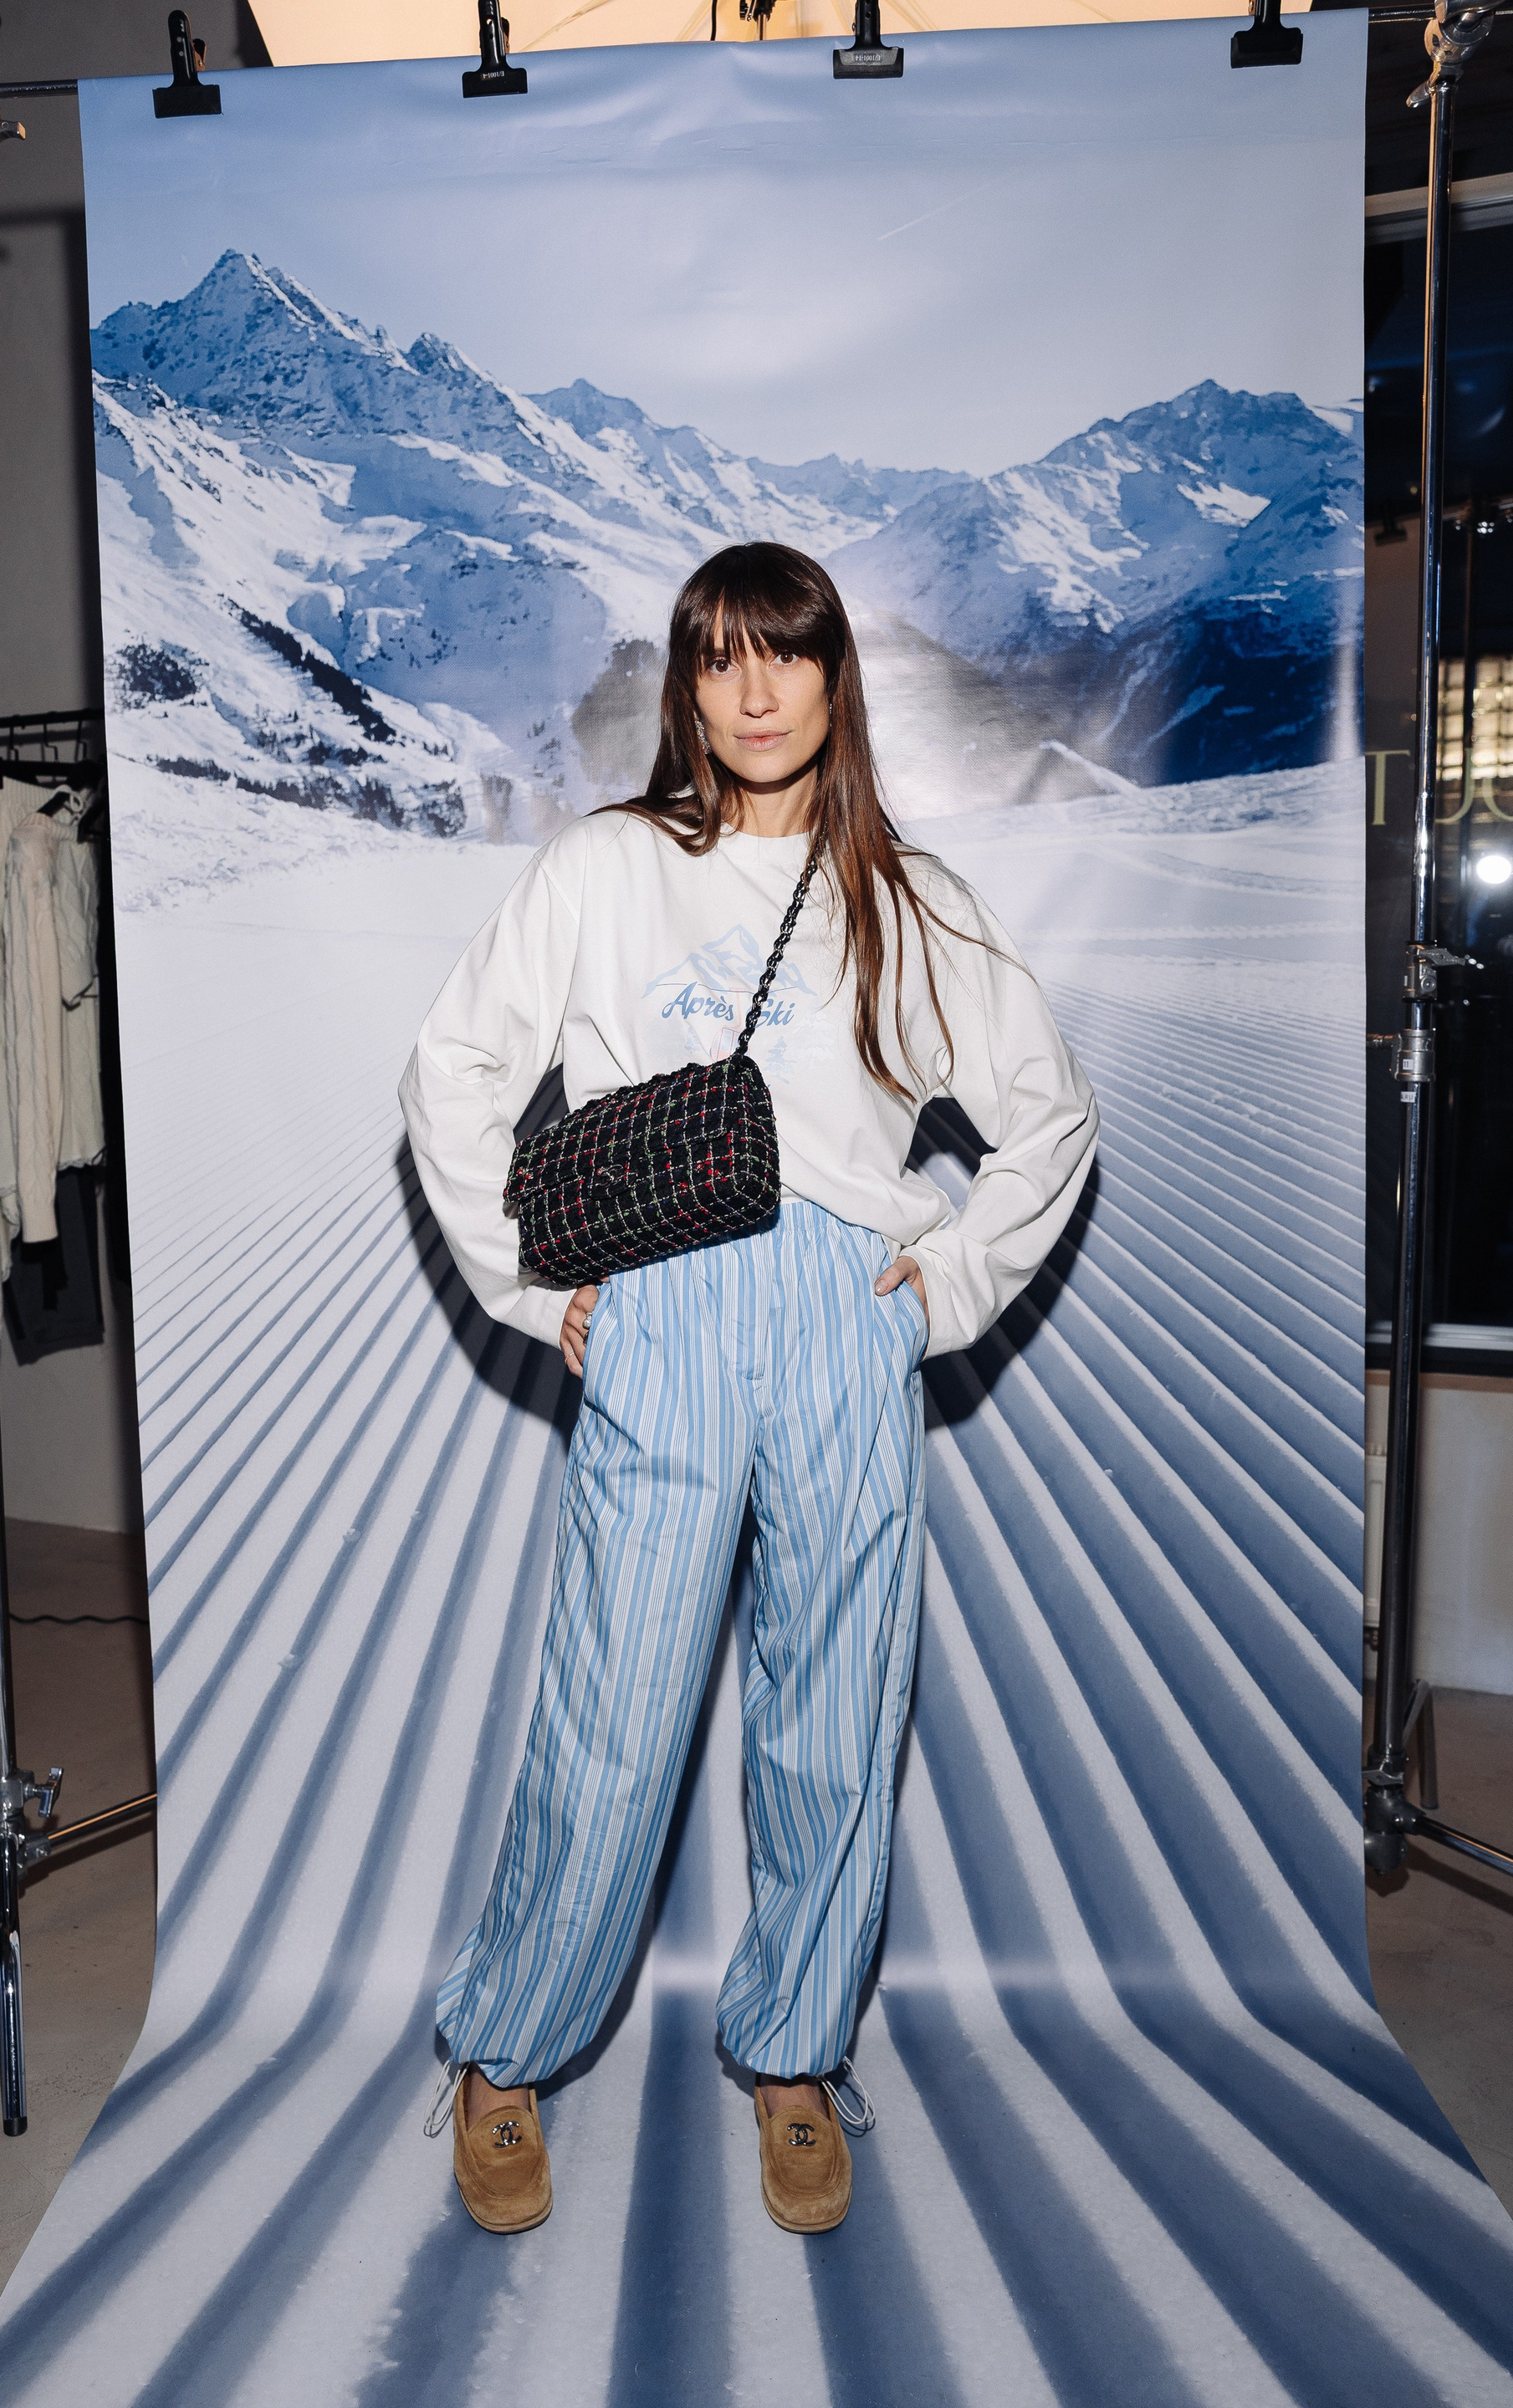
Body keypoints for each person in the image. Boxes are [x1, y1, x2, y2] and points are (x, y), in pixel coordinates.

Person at [399, 542, 1097, 2237]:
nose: (758, 690)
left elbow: (1050, 1116)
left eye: (787, 653)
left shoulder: (910, 896)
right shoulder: (607, 865)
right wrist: (538, 1287)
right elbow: (456, 1068)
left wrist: (940, 1290)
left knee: (839, 1713)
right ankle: (505, 2055)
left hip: (848, 1312)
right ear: (688, 690)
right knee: (614, 1710)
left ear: (837, 677)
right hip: (665, 1303)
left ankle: (797, 2055)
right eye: (721, 658)